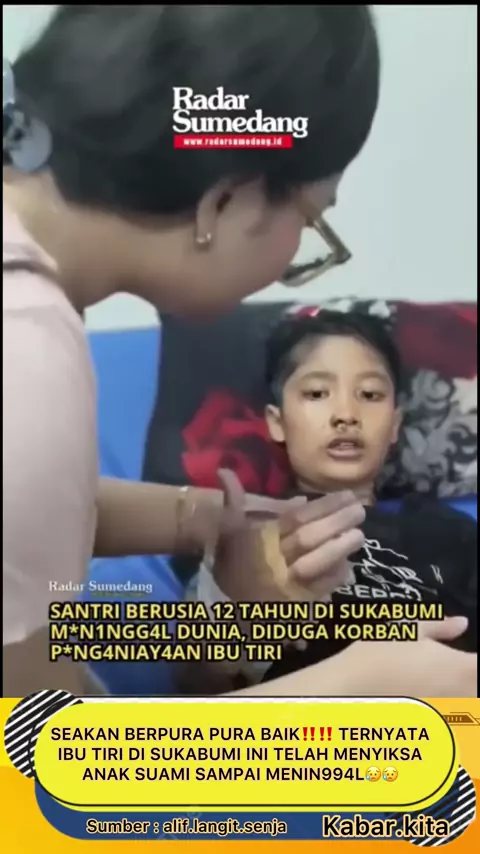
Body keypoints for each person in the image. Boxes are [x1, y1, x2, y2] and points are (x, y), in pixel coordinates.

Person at [3, 6, 473, 699]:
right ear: (227, 200)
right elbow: (40, 754)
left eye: (370, 392)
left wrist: (204, 518)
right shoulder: (24, 359)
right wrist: (359, 685)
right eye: (312, 221)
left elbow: (34, 510)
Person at [182, 311, 477, 697]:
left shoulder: (451, 533)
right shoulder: (245, 538)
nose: (346, 416)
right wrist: (232, 617)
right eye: (317, 394)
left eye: (369, 395)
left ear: (394, 425)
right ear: (277, 422)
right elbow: (198, 688)